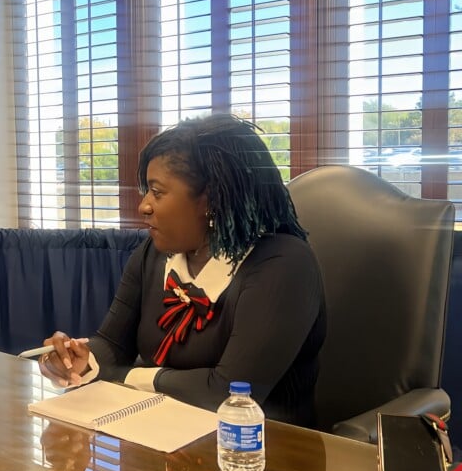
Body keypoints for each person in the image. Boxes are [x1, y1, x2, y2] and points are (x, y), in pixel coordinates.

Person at [38, 114, 325, 426]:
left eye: (157, 192)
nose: (143, 206)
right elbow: (113, 344)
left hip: (266, 453)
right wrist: (81, 360)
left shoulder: (283, 265)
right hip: (163, 436)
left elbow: (228, 394)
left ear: (210, 198)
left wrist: (124, 376)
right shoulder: (153, 254)